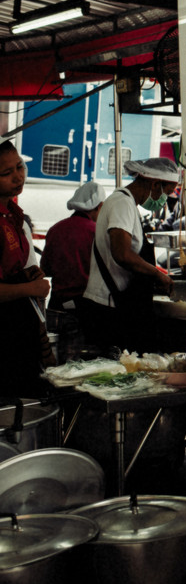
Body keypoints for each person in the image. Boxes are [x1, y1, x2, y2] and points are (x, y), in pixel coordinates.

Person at [81, 157, 178, 352]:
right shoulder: (122, 203)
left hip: (111, 303)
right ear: (154, 183)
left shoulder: (126, 203)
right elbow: (122, 253)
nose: (164, 200)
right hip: (107, 306)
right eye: (166, 193)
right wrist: (157, 273)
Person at [0, 140, 52, 395]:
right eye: (6, 173)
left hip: (19, 329)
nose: (17, 176)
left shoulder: (13, 214)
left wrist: (28, 275)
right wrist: (30, 287)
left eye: (19, 167)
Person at [41, 181, 105, 360]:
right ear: (99, 207)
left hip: (56, 306)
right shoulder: (96, 231)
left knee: (58, 361)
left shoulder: (55, 229)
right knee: (81, 365)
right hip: (85, 308)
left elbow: (44, 269)